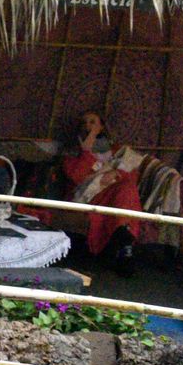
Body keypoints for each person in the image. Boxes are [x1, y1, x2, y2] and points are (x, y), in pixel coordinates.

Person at [61, 110, 142, 272]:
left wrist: (115, 173)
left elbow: (132, 171)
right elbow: (77, 177)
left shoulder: (116, 149)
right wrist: (86, 150)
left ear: (101, 127)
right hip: (90, 196)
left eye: (92, 122)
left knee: (127, 188)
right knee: (125, 193)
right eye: (84, 123)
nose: (88, 126)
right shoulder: (72, 151)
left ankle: (123, 237)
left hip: (114, 192)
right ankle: (125, 243)